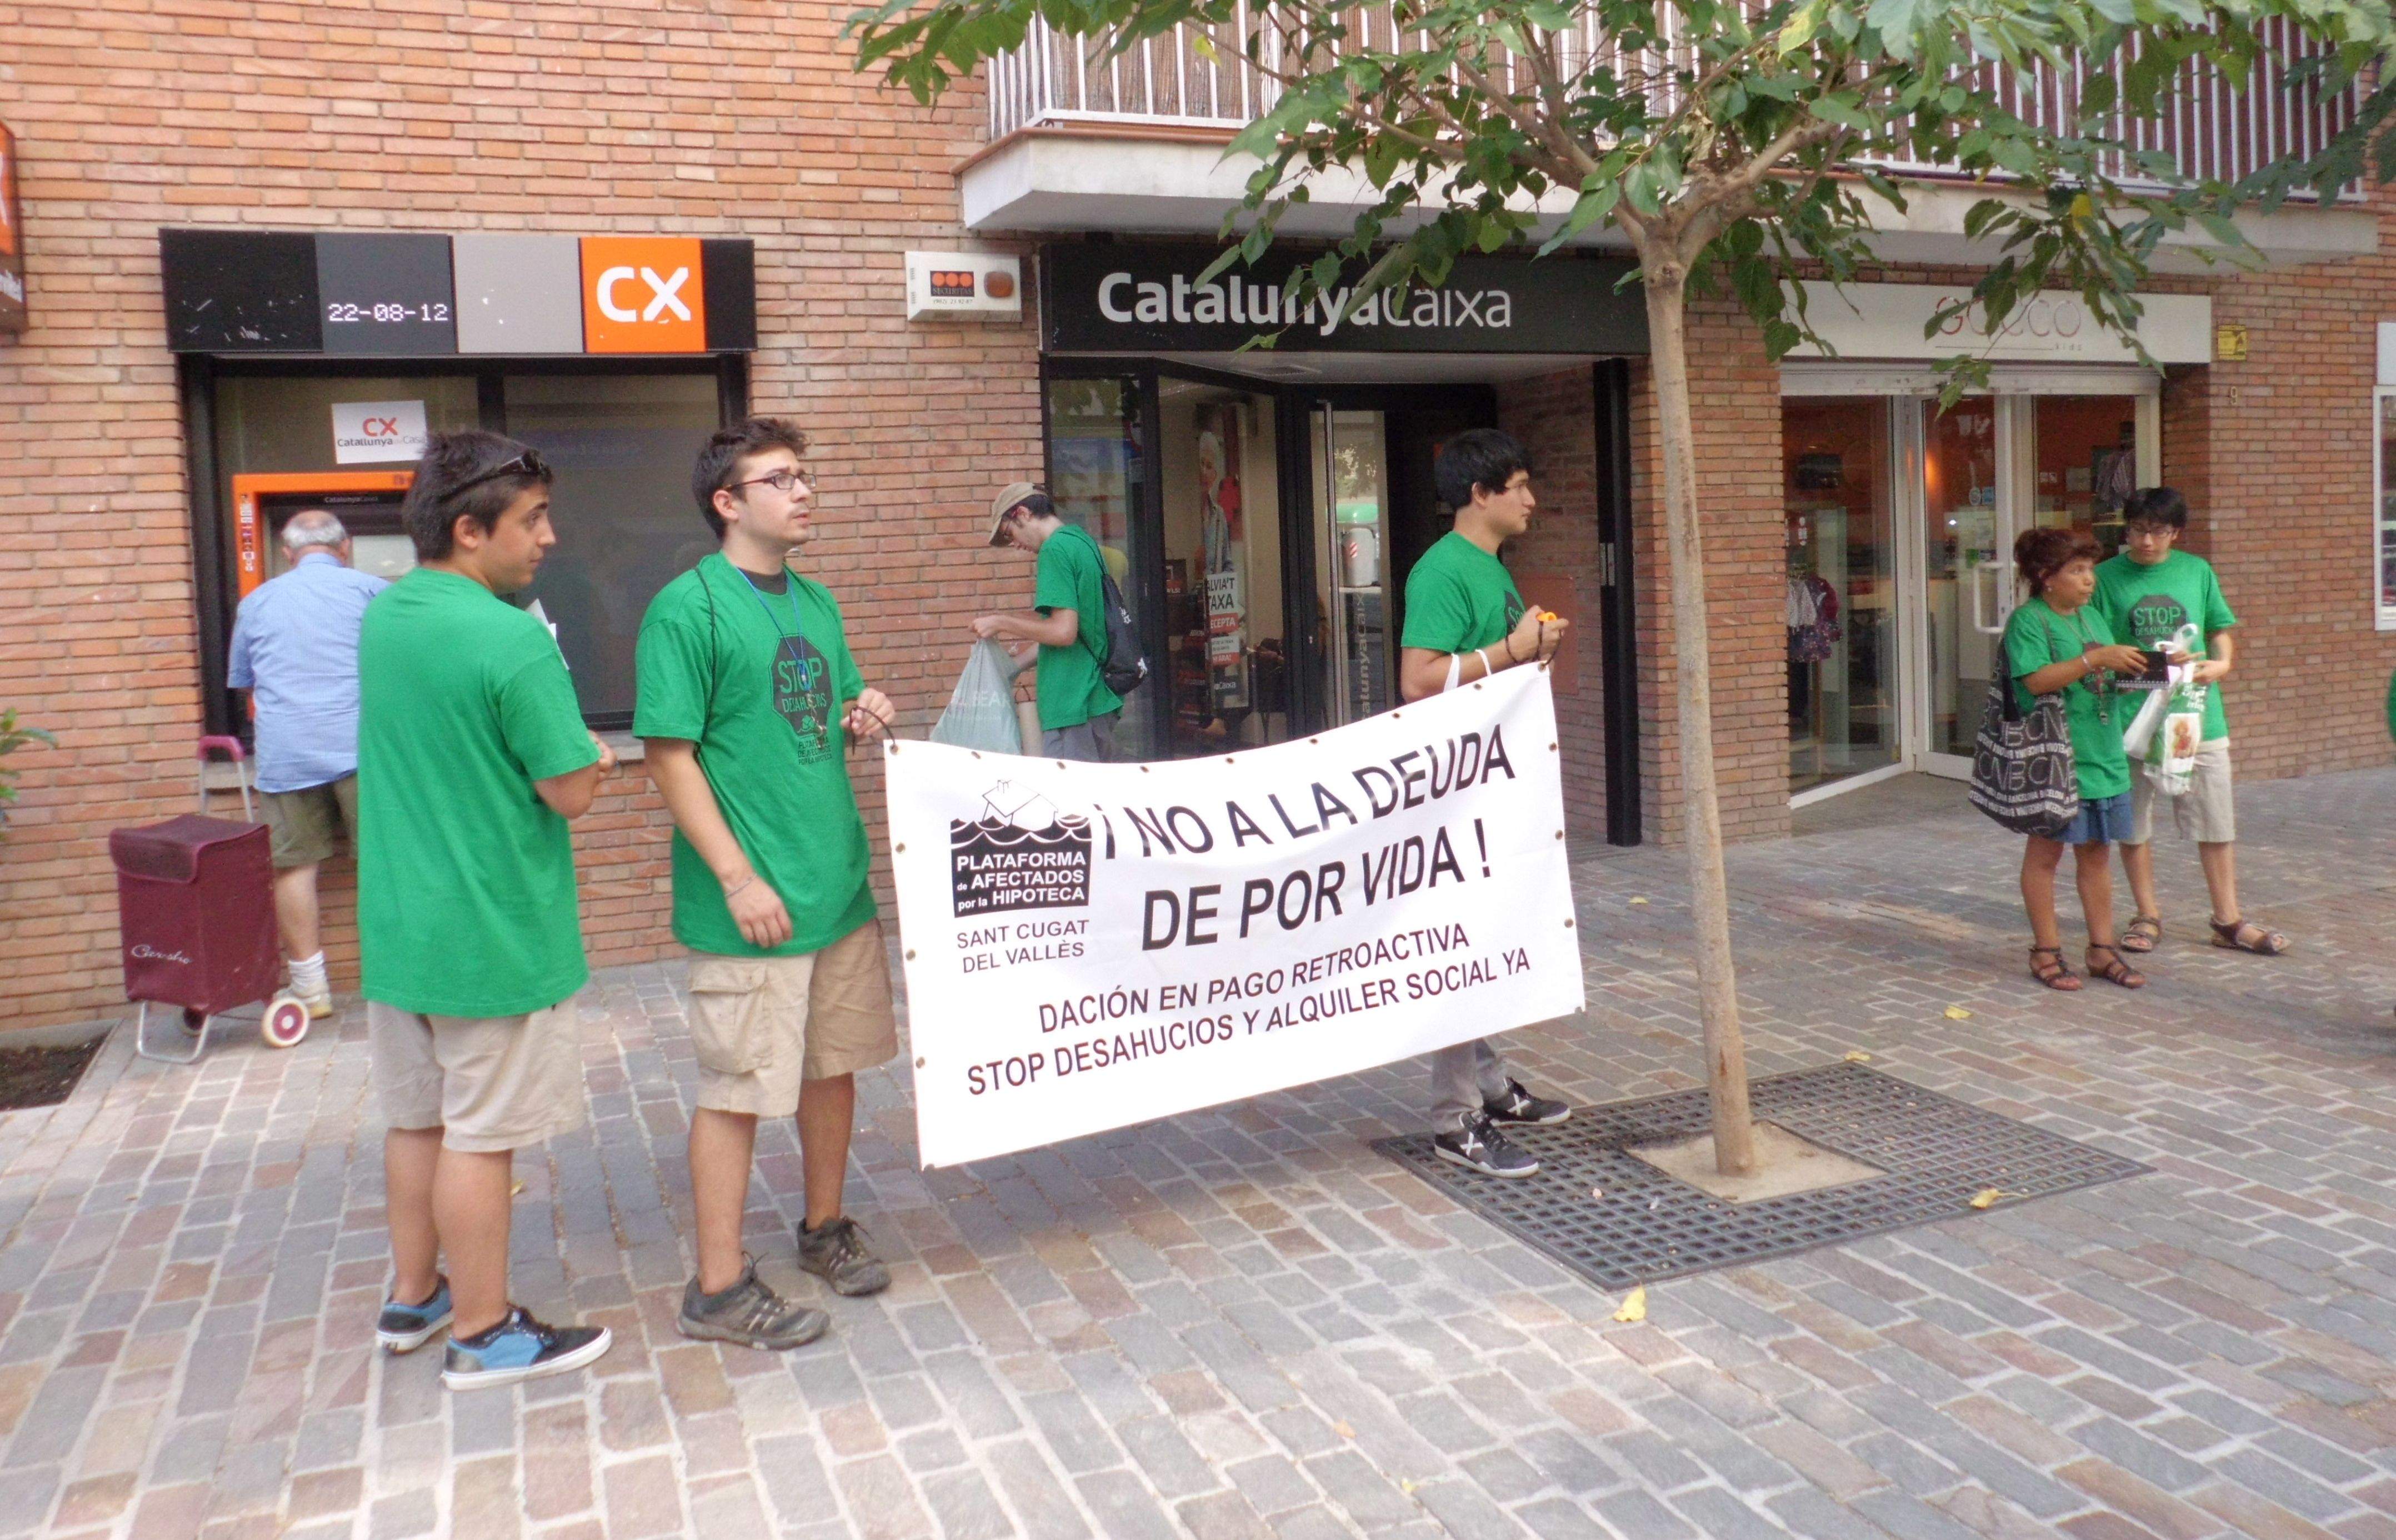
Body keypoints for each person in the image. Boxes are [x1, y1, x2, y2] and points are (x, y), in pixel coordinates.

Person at [357, 431, 617, 1389]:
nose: (548, 537)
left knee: (416, 1121)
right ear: (470, 531)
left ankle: (416, 1294)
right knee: (478, 1134)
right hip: (490, 934)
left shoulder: (388, 614)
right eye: (532, 518)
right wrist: (588, 753)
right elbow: (569, 791)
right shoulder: (512, 637)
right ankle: (483, 1330)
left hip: (400, 927)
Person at [636, 419, 901, 1351]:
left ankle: (823, 1228)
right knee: (739, 1088)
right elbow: (668, 757)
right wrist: (737, 877)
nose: (804, 490)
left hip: (836, 887)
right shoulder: (688, 609)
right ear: (728, 501)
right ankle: (717, 1287)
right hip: (755, 902)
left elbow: (820, 710)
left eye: (805, 475)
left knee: (833, 1069)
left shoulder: (816, 602)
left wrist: (862, 712)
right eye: (780, 478)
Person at [1395, 428, 1573, 1178]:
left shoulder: (1489, 564)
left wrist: (1535, 650)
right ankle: (1455, 1118)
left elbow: (1491, 667)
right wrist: (1510, 652)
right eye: (1520, 486)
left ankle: (1490, 1086)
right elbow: (1417, 677)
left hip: (1490, 778)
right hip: (1454, 787)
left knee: (1490, 935)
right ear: (1480, 494)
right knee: (1463, 942)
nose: (1532, 500)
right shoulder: (1443, 570)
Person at [2094, 487, 2288, 957]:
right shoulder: (2104, 578)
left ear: (2175, 533)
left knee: (2214, 819)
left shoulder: (2196, 570)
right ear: (2126, 529)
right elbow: (2095, 647)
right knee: (2133, 822)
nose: (2145, 542)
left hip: (2196, 714)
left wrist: (2221, 664)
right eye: (2137, 530)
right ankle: (2146, 914)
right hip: (2131, 718)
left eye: (2157, 532)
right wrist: (2142, 660)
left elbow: (2219, 628)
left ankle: (2227, 919)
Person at [225, 509, 387, 1017]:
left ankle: (312, 990)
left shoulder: (257, 602)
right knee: (386, 863)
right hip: (364, 747)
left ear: (288, 553)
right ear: (346, 548)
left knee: (294, 868)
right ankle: (394, 981)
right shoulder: (375, 592)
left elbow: (245, 681)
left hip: (287, 753)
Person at [2003, 526, 2155, 992]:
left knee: (2096, 854)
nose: (2089, 579)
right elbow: (2032, 681)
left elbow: (2105, 676)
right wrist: (2097, 661)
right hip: (2058, 758)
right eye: (2076, 571)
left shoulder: (2092, 619)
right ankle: (2045, 950)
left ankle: (2100, 949)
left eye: (2089, 569)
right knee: (2046, 853)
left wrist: (2153, 669)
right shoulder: (2029, 621)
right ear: (2046, 576)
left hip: (2103, 752)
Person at [974, 484, 1123, 761]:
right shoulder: (1081, 542)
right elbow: (1076, 634)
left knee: (1073, 802)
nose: (1015, 544)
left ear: (1023, 513)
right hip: (1094, 701)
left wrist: (1001, 622)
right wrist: (1013, 667)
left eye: (1010, 533)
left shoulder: (1054, 550)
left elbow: (1063, 631)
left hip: (1074, 704)